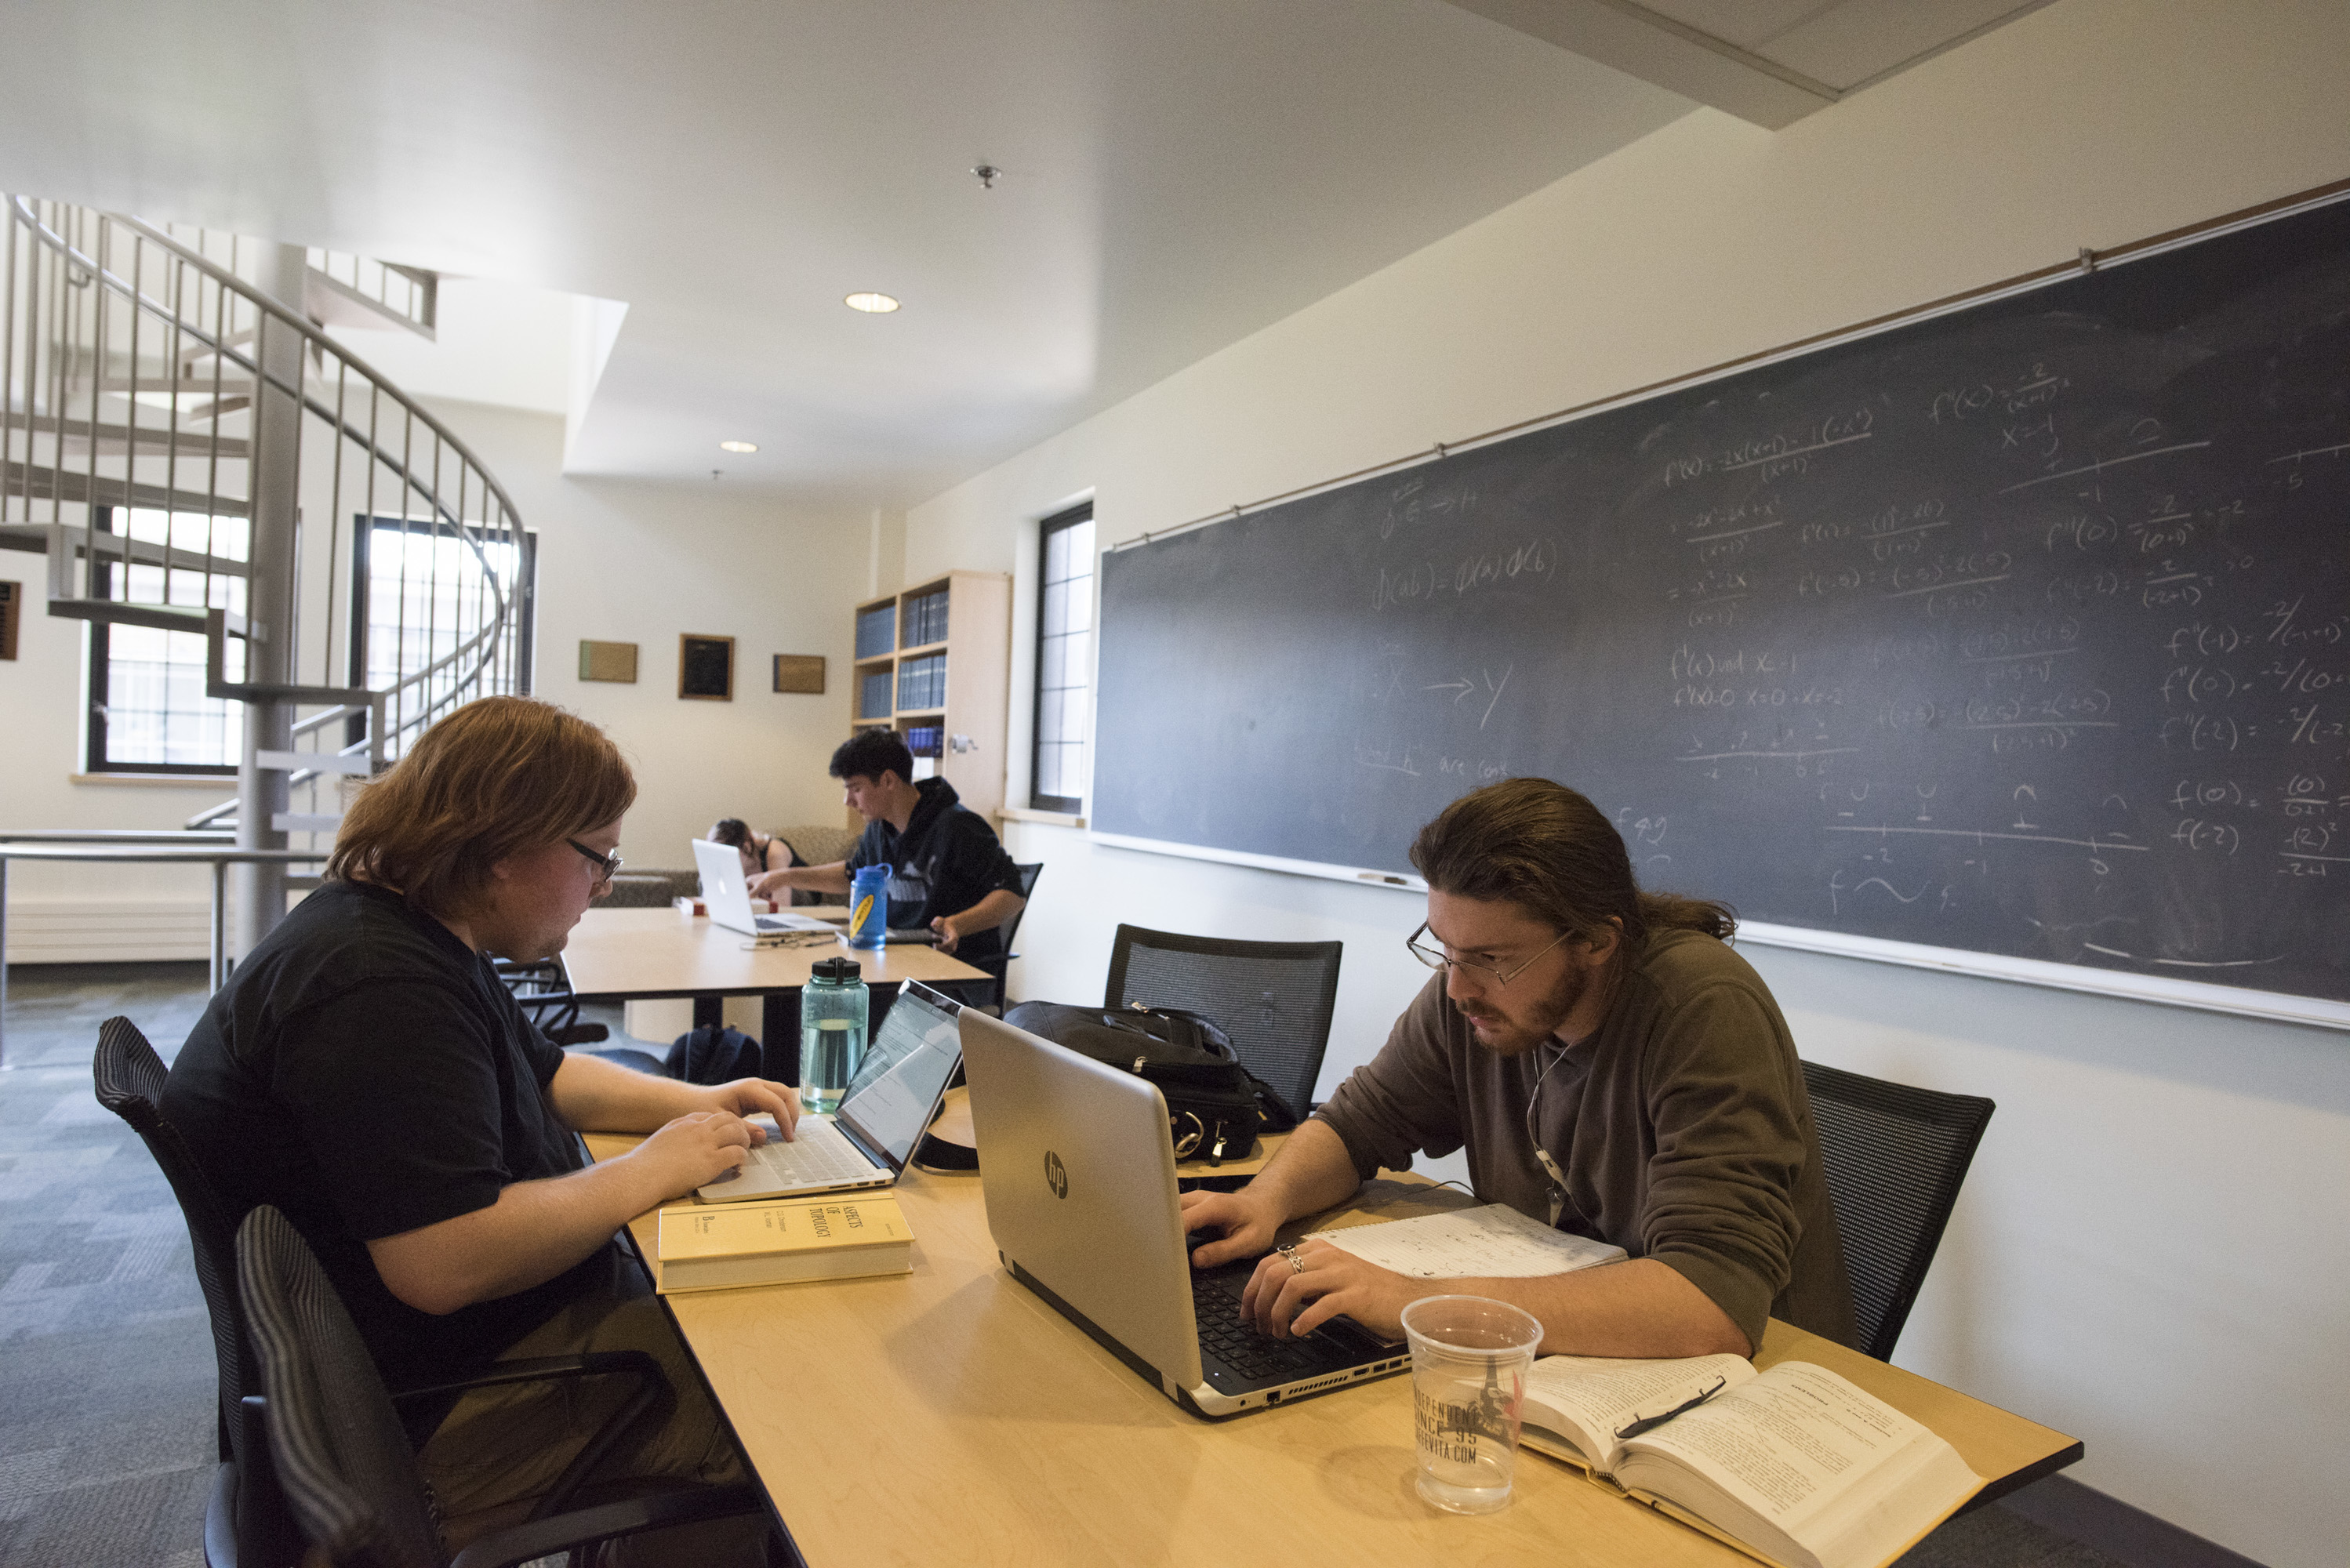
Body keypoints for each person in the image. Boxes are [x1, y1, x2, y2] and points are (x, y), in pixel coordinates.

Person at [163, 695, 798, 1527]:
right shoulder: (377, 984)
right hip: (431, 1410)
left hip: (429, 1357)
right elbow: (443, 1258)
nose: (601, 887)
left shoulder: (411, 928)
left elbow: (549, 1075)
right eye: (596, 858)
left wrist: (701, 1101)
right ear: (503, 844)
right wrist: (646, 1170)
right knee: (768, 1407)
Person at [1181, 778, 1854, 1360]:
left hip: (1751, 1382)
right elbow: (1361, 1120)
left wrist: (1421, 1301)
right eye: (1444, 949)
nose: (1457, 988)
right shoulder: (1477, 996)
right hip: (1569, 1352)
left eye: (1491, 959)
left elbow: (1710, 1301)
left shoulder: (1702, 1007)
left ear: (1594, 940)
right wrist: (1261, 1204)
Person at [748, 729, 1026, 968]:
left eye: (855, 788)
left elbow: (1012, 894)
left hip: (949, 967)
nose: (848, 800)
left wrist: (958, 924)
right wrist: (782, 877)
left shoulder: (958, 826)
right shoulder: (878, 829)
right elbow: (852, 875)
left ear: (889, 780)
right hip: (895, 956)